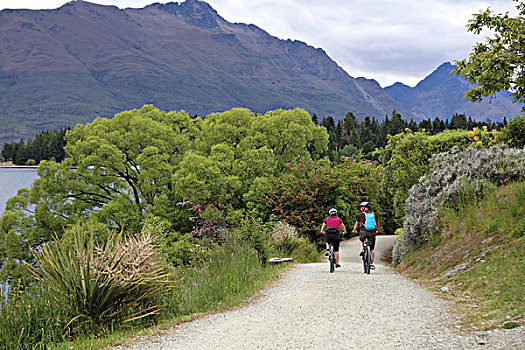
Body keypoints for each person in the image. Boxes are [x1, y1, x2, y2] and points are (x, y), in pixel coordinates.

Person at [352, 201, 379, 270]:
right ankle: (372, 263)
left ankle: (361, 248)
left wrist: (354, 230)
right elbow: (377, 224)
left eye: (361, 207)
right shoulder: (374, 214)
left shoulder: (360, 215)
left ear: (364, 208)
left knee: (361, 239)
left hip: (363, 232)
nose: (361, 208)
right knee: (372, 248)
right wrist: (377, 231)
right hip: (372, 232)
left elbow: (356, 223)